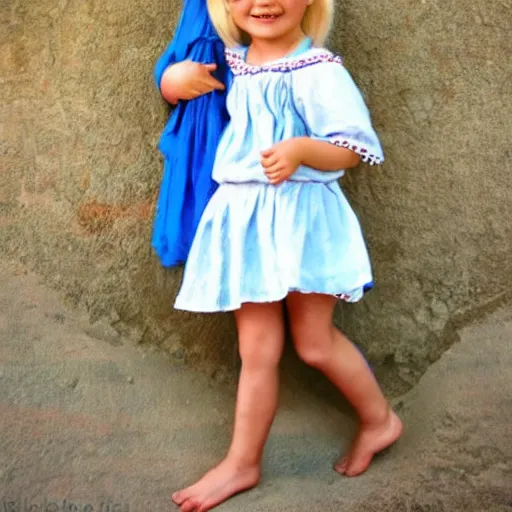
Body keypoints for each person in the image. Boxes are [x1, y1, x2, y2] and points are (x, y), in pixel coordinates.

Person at [163, 1, 403, 511]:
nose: (265, 1)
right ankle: (242, 463)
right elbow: (182, 91)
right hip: (247, 223)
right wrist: (174, 79)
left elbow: (353, 146)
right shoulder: (231, 61)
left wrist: (299, 150)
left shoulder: (318, 70)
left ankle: (380, 420)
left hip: (299, 219)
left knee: (314, 342)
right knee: (257, 348)